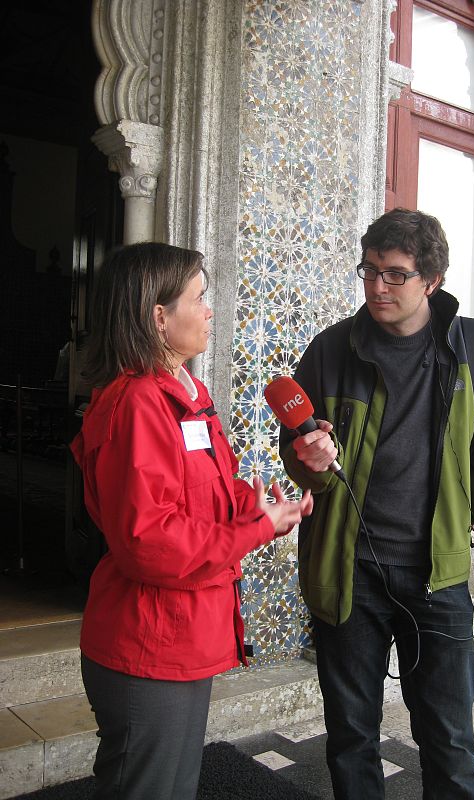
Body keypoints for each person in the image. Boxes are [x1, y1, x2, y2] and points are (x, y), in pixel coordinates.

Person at [278, 208, 474, 799]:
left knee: (449, 739)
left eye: (394, 275)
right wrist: (304, 460)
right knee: (350, 735)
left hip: (436, 576)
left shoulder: (468, 347)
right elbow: (297, 453)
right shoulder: (331, 349)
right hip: (349, 574)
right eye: (368, 271)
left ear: (431, 282)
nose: (376, 287)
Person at [70, 242, 312, 800]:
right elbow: (149, 542)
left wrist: (257, 510)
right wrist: (256, 528)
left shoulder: (189, 392)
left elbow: (196, 502)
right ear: (159, 317)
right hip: (146, 642)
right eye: (199, 298)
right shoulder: (137, 404)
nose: (209, 312)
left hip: (184, 635)